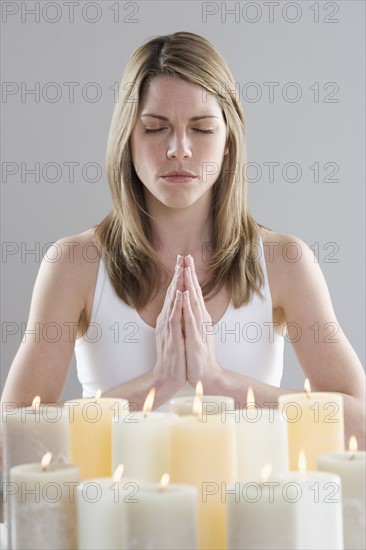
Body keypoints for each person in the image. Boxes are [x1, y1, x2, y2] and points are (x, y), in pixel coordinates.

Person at [1, 31, 365, 448]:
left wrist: (219, 384)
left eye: (202, 129)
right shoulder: (74, 263)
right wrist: (157, 383)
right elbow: (12, 439)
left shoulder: (285, 261)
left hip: (241, 513)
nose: (179, 149)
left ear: (228, 141)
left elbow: (359, 423)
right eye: (155, 129)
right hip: (119, 512)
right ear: (128, 141)